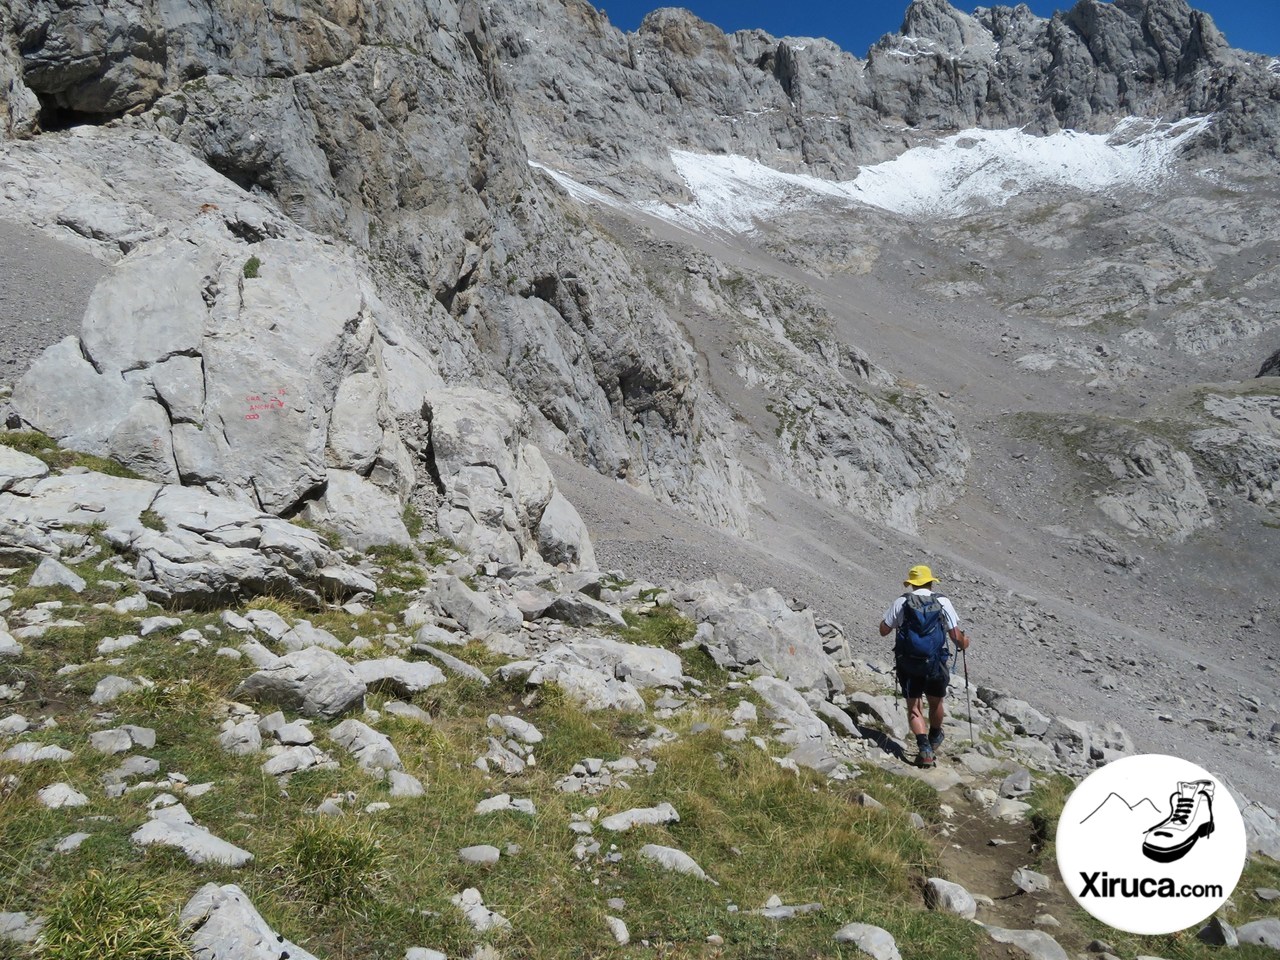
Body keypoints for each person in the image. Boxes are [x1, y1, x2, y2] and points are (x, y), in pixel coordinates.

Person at [877, 564, 969, 768]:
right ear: (930, 582)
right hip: (936, 663)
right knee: (936, 703)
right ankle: (935, 735)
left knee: (914, 707)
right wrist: (965, 642)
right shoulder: (943, 601)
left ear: (911, 584)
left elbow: (883, 630)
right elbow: (956, 637)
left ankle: (924, 749)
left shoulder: (902, 601)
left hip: (909, 663)